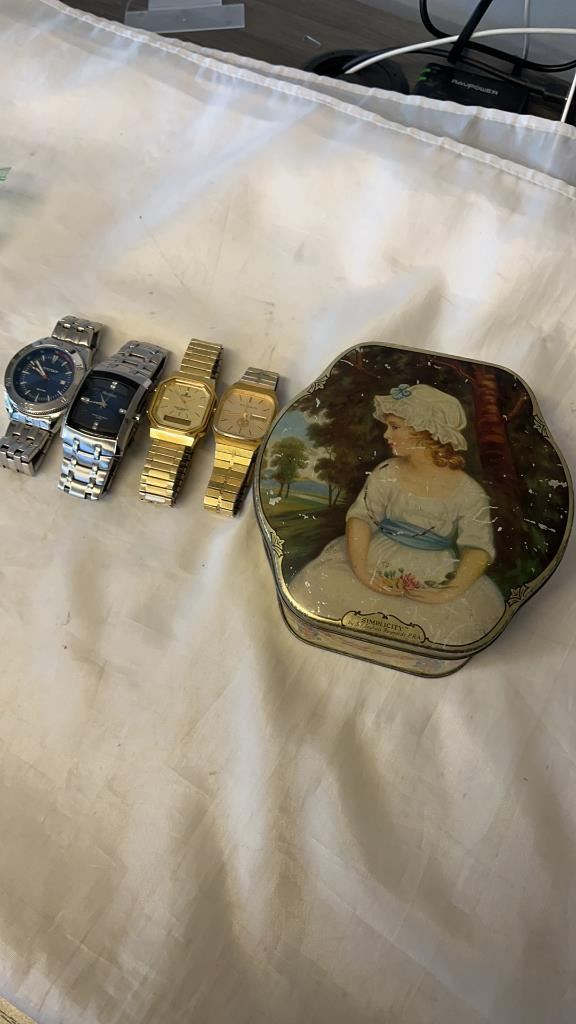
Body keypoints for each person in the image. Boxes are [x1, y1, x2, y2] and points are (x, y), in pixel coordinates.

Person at [288, 383, 505, 647]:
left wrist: (448, 592)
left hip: (435, 572)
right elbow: (361, 518)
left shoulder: (469, 491)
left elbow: (477, 547)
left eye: (395, 426)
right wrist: (362, 571)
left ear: (425, 431)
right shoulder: (387, 472)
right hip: (374, 557)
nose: (386, 434)